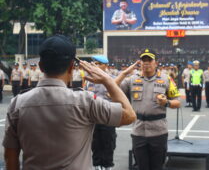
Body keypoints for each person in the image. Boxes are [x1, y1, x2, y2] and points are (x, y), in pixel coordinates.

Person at [2, 35, 136, 170]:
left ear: (41, 66)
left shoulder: (17, 104)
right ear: (72, 67)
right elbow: (129, 115)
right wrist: (108, 80)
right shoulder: (84, 101)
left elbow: (10, 157)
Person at [116, 49, 181, 170]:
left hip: (158, 131)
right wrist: (124, 73)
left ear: (156, 63)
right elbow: (112, 88)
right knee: (141, 166)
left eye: (149, 60)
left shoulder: (167, 79)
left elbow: (177, 102)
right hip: (138, 131)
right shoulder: (132, 79)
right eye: (143, 60)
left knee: (157, 166)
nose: (146, 63)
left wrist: (166, 102)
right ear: (140, 63)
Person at [85, 55, 117, 170]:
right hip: (94, 118)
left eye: (99, 64)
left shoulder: (113, 79)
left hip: (108, 117)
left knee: (108, 143)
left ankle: (108, 166)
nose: (96, 66)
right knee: (95, 144)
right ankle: (96, 165)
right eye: (95, 63)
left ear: (106, 65)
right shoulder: (89, 80)